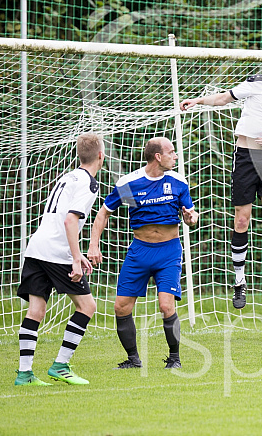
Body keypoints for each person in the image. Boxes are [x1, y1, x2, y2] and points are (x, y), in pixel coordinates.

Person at [180, 53, 262, 310]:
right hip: (245, 157)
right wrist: (197, 100)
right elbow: (223, 98)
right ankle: (239, 282)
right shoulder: (257, 83)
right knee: (242, 220)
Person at [87, 137, 198, 369]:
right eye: (171, 152)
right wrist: (93, 245)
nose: (175, 156)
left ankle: (175, 358)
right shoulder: (131, 184)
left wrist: (191, 219)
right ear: (158, 157)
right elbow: (104, 213)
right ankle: (133, 359)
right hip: (139, 251)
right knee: (121, 306)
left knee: (166, 306)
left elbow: (192, 215)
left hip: (168, 251)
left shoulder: (177, 182)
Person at [15, 132, 105, 386]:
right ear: (101, 155)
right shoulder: (88, 183)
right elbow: (70, 220)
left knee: (36, 310)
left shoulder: (67, 177)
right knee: (87, 307)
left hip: (37, 247)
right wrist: (76, 258)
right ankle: (61, 365)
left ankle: (24, 374)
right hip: (57, 251)